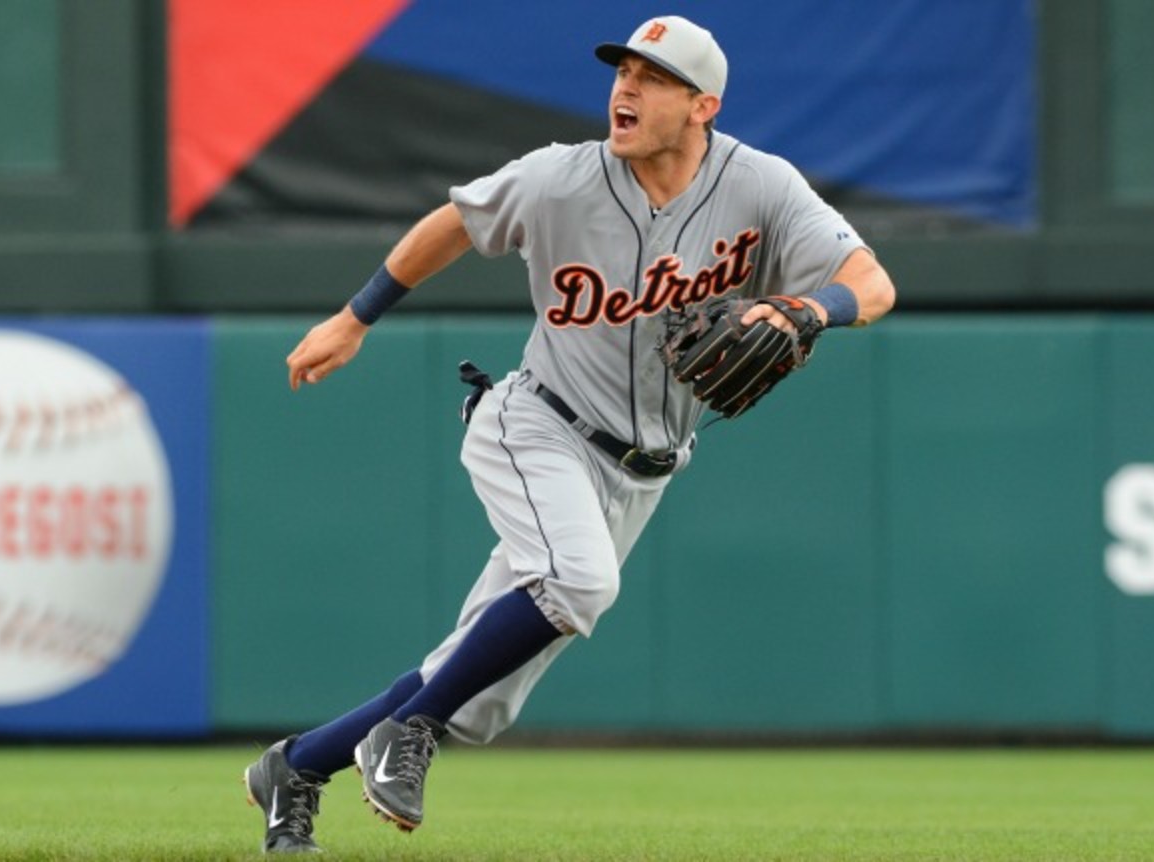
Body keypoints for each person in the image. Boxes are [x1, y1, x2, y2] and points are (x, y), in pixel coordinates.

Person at [243, 13, 895, 854]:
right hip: (540, 423)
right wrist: (354, 317)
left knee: (474, 690)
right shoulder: (559, 177)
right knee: (579, 583)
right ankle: (405, 733)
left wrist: (810, 308)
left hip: (645, 468)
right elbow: (455, 221)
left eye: (653, 78)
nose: (627, 88)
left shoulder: (761, 187)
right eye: (624, 71)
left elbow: (870, 282)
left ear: (703, 106)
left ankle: (296, 768)